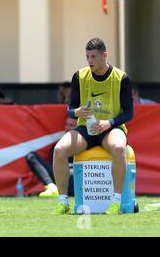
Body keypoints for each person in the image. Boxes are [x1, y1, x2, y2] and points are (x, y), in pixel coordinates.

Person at [52, 37, 133, 215]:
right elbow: (70, 109)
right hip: (86, 129)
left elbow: (129, 113)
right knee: (59, 150)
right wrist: (77, 112)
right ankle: (63, 202)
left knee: (119, 148)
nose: (89, 61)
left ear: (105, 55)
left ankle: (116, 202)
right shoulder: (79, 76)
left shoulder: (121, 78)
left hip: (111, 128)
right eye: (87, 56)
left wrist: (109, 123)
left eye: (94, 57)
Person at [25, 117, 76, 198]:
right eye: (67, 125)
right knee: (31, 156)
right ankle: (51, 187)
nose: (68, 128)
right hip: (61, 178)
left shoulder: (86, 143)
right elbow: (54, 167)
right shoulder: (58, 145)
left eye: (72, 125)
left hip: (79, 179)